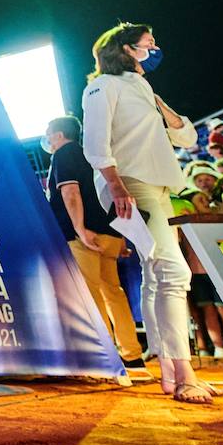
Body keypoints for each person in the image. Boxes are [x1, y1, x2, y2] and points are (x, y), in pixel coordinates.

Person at [81, 22, 212, 404]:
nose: (155, 50)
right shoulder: (101, 87)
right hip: (132, 185)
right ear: (125, 49)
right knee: (172, 271)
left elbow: (187, 135)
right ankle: (183, 373)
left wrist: (156, 100)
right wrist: (117, 187)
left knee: (157, 276)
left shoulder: (141, 88)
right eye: (148, 44)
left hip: (158, 187)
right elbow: (95, 142)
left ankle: (171, 372)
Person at [42, 116, 145, 377]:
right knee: (114, 292)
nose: (48, 140)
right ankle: (132, 356)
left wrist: (79, 228)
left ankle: (104, 357)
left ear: (58, 135)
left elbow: (70, 192)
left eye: (49, 134)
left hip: (84, 234)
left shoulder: (64, 154)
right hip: (110, 232)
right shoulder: (96, 155)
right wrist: (121, 236)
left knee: (91, 295)